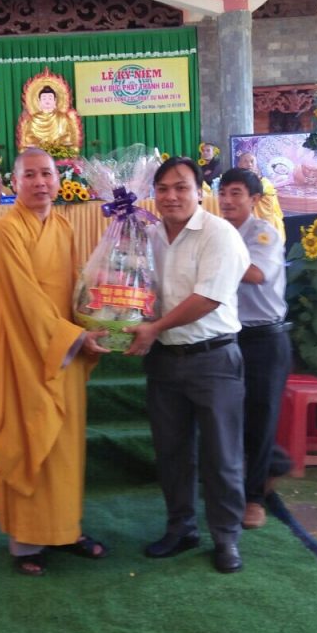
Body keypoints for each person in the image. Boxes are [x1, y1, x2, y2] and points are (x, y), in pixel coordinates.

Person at [0, 147, 110, 577]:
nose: (40, 182)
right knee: (31, 437)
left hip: (64, 350)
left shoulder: (63, 226)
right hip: (26, 351)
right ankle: (26, 542)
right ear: (15, 182)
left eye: (47, 174)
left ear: (59, 179)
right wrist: (74, 337)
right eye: (31, 175)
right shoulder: (6, 231)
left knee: (65, 446)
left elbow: (73, 288)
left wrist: (97, 316)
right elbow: (25, 300)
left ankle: (65, 529)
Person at [124, 157, 250, 574]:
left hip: (213, 359)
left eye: (181, 187)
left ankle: (226, 537)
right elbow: (132, 286)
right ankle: (181, 528)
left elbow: (208, 298)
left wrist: (154, 327)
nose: (171, 196)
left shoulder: (219, 234)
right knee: (172, 453)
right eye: (162, 188)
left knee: (222, 455)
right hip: (165, 360)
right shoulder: (148, 236)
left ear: (200, 191)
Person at [218, 168, 292, 531]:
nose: (227, 201)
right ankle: (269, 468)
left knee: (261, 418)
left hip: (265, 339)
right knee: (230, 416)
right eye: (222, 193)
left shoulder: (264, 233)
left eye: (236, 193)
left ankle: (255, 499)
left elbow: (256, 274)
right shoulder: (219, 233)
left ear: (254, 199)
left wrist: (209, 256)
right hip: (229, 337)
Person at [16, 79, 82, 151]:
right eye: (44, 98)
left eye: (50, 98)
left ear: (55, 101)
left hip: (58, 146)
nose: (47, 101)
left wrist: (58, 142)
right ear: (39, 101)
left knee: (71, 144)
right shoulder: (34, 118)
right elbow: (29, 136)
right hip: (39, 147)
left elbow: (67, 134)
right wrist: (39, 142)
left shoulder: (62, 117)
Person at [234, 151, 285, 241]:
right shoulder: (235, 184)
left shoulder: (265, 183)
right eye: (245, 161)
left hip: (267, 228)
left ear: (256, 165)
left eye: (252, 161)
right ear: (239, 164)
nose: (249, 164)